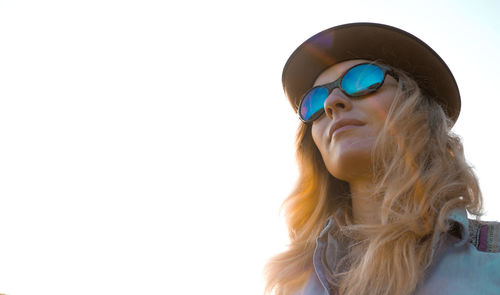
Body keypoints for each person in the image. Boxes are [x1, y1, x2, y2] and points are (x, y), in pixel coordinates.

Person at [264, 23, 500, 295]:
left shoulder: (492, 261)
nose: (331, 103)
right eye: (314, 101)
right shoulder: (291, 284)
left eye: (362, 79)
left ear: (420, 111)